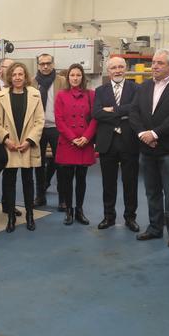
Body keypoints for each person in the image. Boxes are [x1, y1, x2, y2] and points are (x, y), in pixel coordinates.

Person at [129, 48, 169, 246]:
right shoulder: (144, 87)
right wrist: (143, 134)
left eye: (160, 63)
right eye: (153, 62)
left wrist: (155, 134)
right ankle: (155, 227)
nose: (154, 66)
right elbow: (134, 112)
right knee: (152, 191)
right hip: (148, 149)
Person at [0, 62, 45, 233]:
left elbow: (39, 121)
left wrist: (29, 140)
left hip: (27, 145)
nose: (17, 77)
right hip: (10, 146)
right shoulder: (0, 96)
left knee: (28, 181)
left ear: (25, 76)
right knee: (9, 182)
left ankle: (30, 215)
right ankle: (11, 218)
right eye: (14, 74)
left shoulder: (35, 95)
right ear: (10, 77)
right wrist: (6, 140)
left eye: (20, 74)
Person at [93, 56, 140, 232]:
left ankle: (130, 218)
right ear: (108, 71)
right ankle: (108, 217)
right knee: (108, 183)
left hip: (129, 141)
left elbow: (135, 108)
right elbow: (97, 113)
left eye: (121, 67)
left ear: (125, 68)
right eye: (114, 68)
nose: (118, 70)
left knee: (130, 182)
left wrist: (112, 110)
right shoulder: (100, 90)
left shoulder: (136, 88)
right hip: (108, 142)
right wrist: (122, 113)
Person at [54, 63, 97, 225]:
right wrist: (73, 138)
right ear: (68, 77)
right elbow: (59, 120)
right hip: (68, 142)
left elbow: (95, 118)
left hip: (84, 142)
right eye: (72, 75)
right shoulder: (61, 95)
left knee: (81, 178)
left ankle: (79, 210)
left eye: (78, 75)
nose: (75, 78)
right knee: (66, 179)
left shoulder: (91, 95)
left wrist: (86, 137)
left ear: (82, 77)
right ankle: (69, 211)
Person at [33, 53, 67, 210]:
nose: (45, 66)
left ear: (53, 64)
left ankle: (63, 200)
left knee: (61, 164)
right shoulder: (32, 83)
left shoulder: (62, 81)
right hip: (38, 129)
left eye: (48, 63)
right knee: (38, 164)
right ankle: (40, 196)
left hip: (57, 128)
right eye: (42, 64)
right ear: (38, 65)